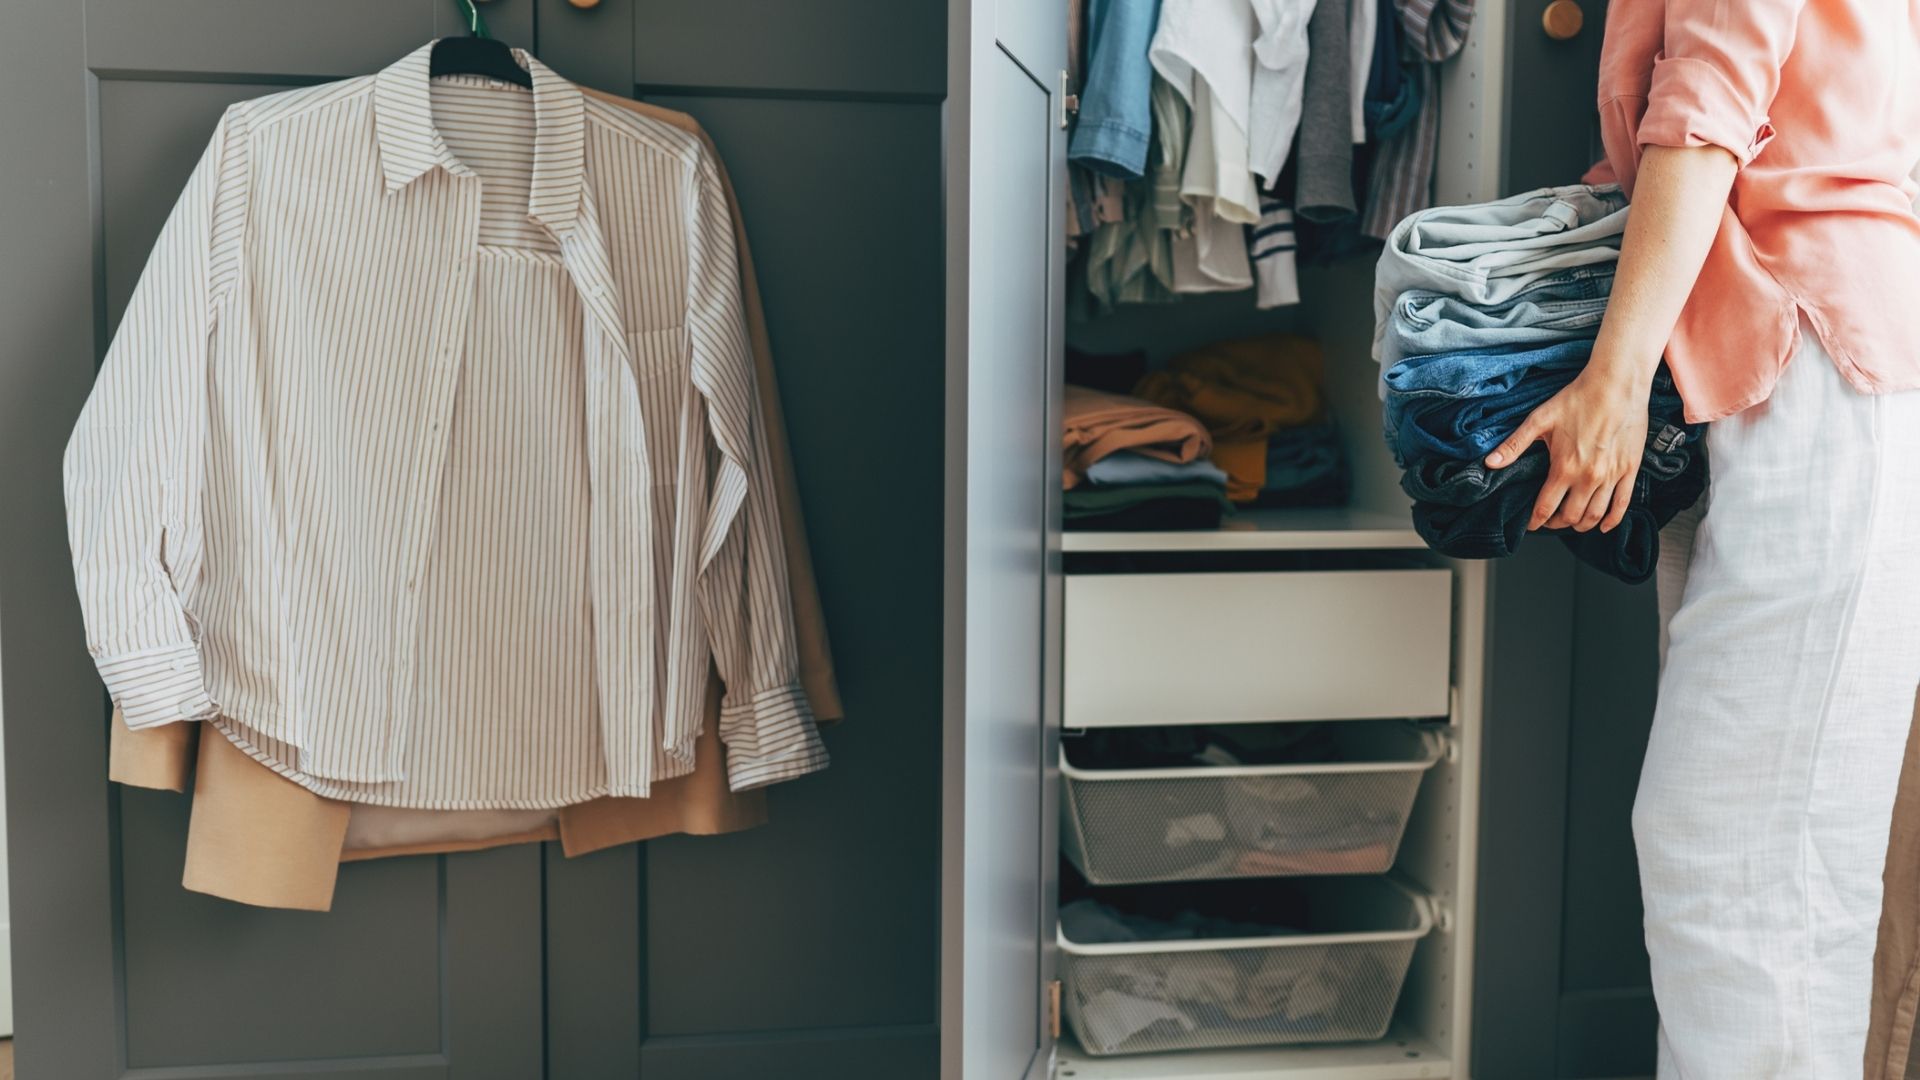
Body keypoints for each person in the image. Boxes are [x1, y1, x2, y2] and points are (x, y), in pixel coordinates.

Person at [1482, 1, 1920, 1075]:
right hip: (1784, 369)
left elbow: (1713, 109)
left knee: (1739, 859)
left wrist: (1614, 379)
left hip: (1810, 367)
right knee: (1764, 858)